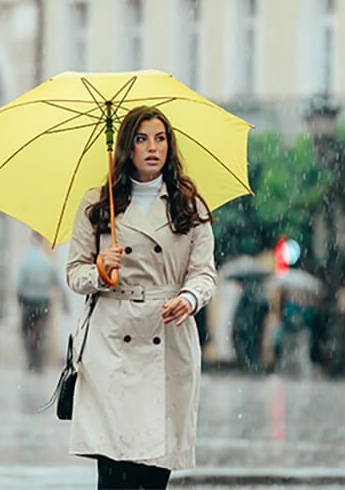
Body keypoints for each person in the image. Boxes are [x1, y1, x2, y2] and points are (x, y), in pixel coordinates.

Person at [65, 106, 217, 490]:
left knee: (153, 470)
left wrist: (190, 297)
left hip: (166, 336)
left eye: (160, 138)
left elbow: (204, 273)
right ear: (125, 148)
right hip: (112, 344)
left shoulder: (190, 206)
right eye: (142, 139)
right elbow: (74, 274)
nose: (153, 148)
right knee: (113, 472)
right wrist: (100, 270)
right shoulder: (97, 205)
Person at [16, 232, 68, 373]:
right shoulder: (47, 261)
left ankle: (30, 361)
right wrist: (65, 302)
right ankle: (40, 361)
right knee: (42, 331)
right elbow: (57, 283)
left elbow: (18, 284)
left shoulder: (26, 261)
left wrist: (19, 299)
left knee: (25, 331)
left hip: (28, 302)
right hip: (43, 302)